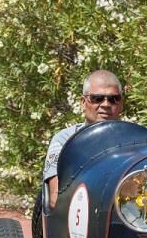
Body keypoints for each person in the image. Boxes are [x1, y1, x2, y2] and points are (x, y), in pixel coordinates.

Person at [42, 70, 124, 209]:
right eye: (97, 98)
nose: (105, 104)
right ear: (83, 102)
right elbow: (56, 198)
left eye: (113, 99)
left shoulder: (138, 139)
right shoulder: (64, 140)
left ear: (121, 103)